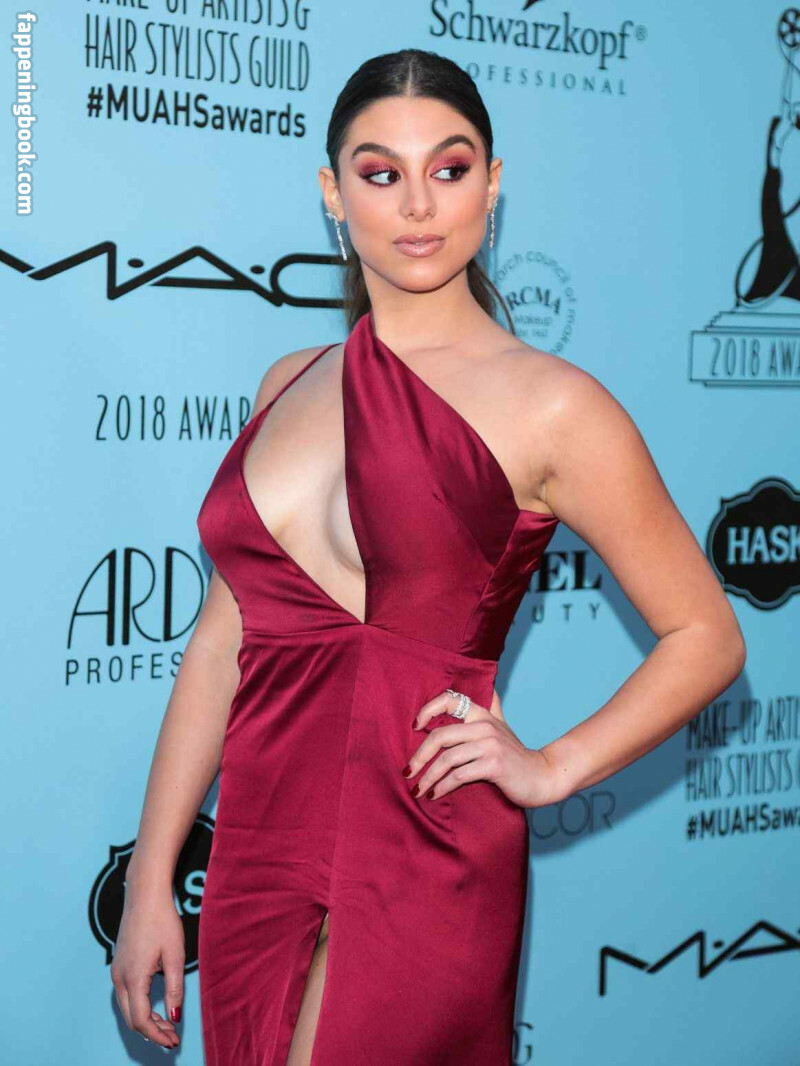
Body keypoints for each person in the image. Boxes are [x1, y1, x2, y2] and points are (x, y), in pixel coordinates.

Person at [110, 47, 746, 1063]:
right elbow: (223, 642)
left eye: (449, 169)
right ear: (332, 193)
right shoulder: (287, 382)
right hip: (258, 854)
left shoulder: (552, 406)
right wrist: (152, 879)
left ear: (492, 186)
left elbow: (705, 634)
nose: (417, 204)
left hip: (426, 840)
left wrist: (550, 767)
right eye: (380, 173)